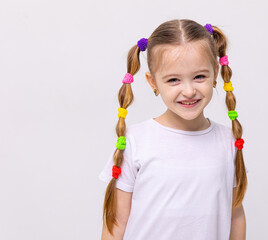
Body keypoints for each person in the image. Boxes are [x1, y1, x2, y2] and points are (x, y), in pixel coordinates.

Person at [98, 19, 248, 240]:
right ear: (153, 82)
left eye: (199, 76)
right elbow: (117, 222)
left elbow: (235, 214)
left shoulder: (228, 141)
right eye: (173, 80)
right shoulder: (135, 141)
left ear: (216, 73)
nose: (188, 91)